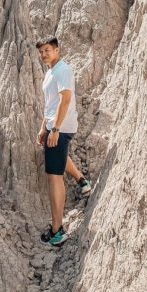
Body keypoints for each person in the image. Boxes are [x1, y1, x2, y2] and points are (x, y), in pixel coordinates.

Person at [36, 37, 92, 247]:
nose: (44, 54)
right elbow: (50, 104)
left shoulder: (62, 70)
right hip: (54, 125)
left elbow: (65, 99)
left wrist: (56, 129)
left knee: (54, 177)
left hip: (62, 127)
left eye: (48, 50)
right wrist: (44, 127)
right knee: (60, 157)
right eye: (41, 52)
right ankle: (82, 182)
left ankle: (57, 231)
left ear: (57, 50)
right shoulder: (50, 72)